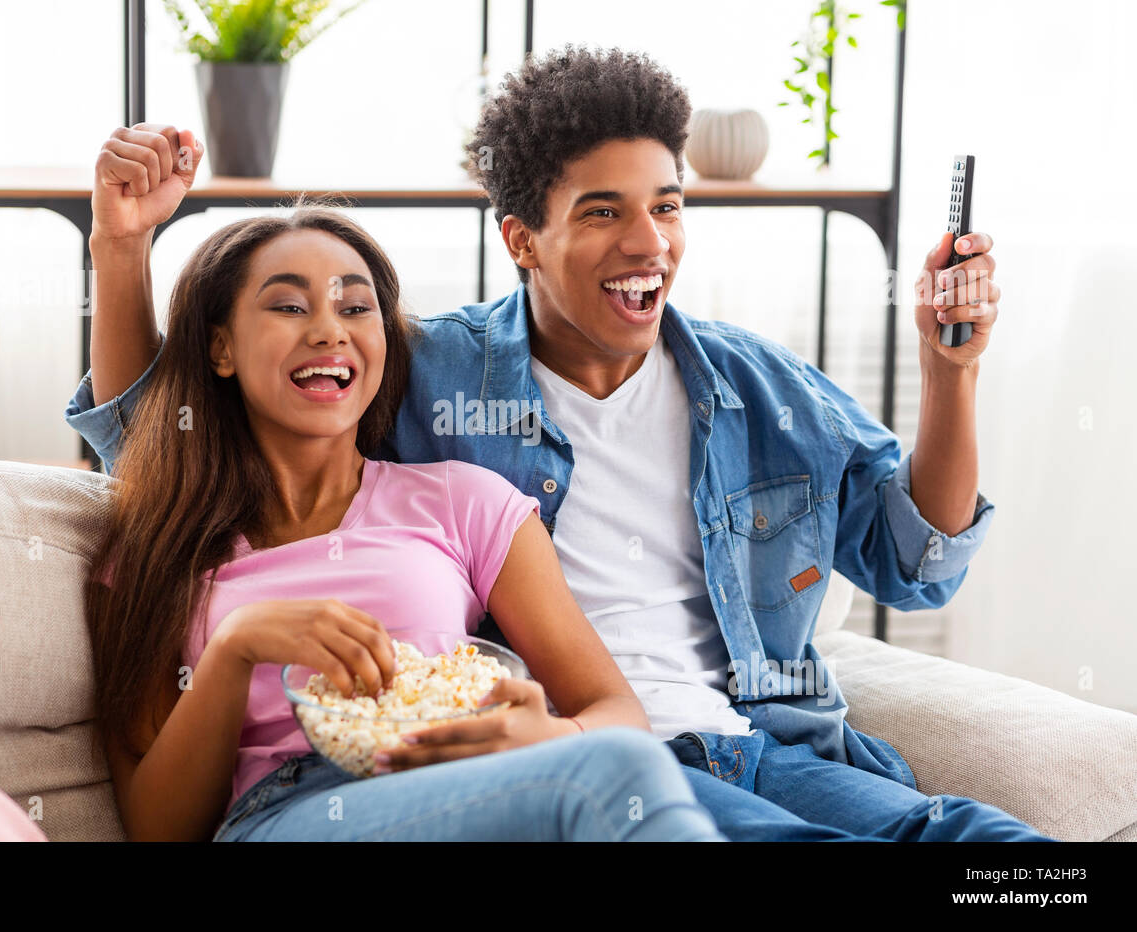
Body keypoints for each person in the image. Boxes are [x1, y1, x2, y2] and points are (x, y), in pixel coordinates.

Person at [68, 46, 1050, 842]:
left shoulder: (757, 386)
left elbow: (915, 557)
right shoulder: (434, 378)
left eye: (667, 205)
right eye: (603, 211)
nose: (649, 240)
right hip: (580, 761)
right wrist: (122, 249)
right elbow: (165, 435)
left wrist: (950, 373)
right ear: (521, 239)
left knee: (984, 844)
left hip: (755, 740)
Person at [80, 152, 721, 842]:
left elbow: (615, 712)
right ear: (221, 348)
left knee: (618, 762)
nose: (330, 329)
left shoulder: (466, 502)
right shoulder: (160, 545)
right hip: (287, 813)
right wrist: (236, 648)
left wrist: (548, 736)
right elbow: (157, 830)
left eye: (357, 307)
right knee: (613, 776)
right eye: (290, 306)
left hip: (477, 791)